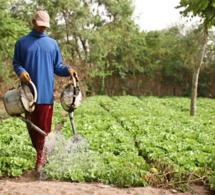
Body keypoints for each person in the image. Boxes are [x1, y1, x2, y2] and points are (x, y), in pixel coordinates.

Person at [13, 10, 79, 176]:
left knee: (43, 130)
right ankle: (42, 156)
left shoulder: (52, 44)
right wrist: (20, 71)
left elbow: (58, 67)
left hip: (45, 96)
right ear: (33, 22)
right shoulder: (22, 43)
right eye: (40, 25)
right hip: (27, 96)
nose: (43, 29)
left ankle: (40, 162)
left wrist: (69, 69)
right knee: (32, 130)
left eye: (45, 27)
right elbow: (16, 63)